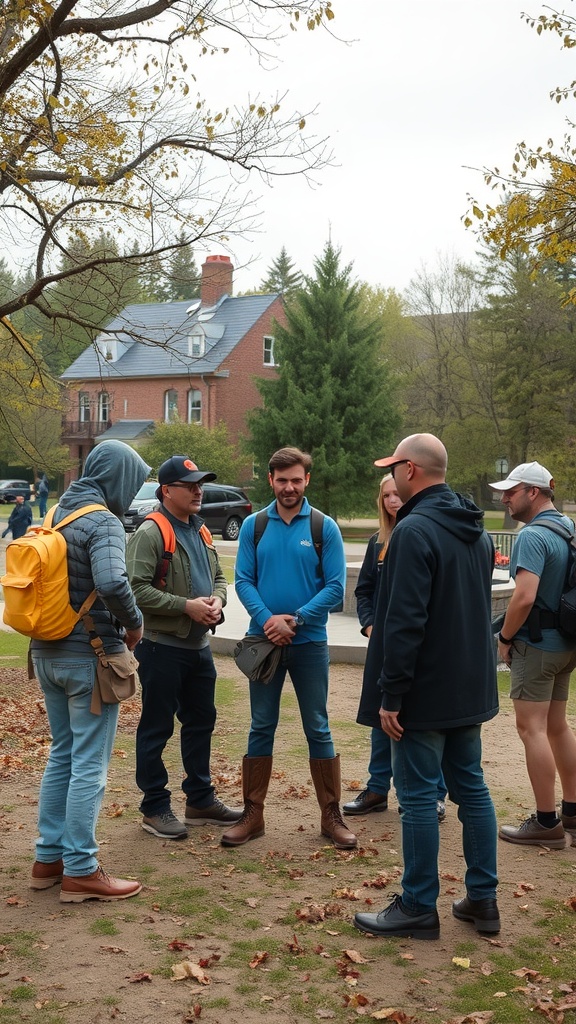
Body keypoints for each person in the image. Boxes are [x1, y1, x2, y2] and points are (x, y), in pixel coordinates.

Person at [353, 433, 499, 941]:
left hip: (425, 692)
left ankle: (417, 904)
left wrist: (392, 696)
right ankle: (483, 899)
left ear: (411, 470)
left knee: (417, 797)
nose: (390, 475)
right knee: (472, 789)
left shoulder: (415, 530)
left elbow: (405, 621)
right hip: (467, 686)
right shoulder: (475, 530)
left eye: (394, 467)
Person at [30, 439, 149, 902]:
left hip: (46, 652)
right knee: (89, 766)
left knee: (62, 755)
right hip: (90, 656)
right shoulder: (102, 521)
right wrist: (134, 623)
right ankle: (80, 869)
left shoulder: (57, 514)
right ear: (118, 478)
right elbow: (113, 581)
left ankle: (48, 860)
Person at [221, 446, 357, 850]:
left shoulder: (323, 527)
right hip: (263, 643)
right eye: (282, 480)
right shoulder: (254, 525)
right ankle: (253, 814)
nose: (289, 487)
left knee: (318, 724)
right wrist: (268, 621)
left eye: (296, 480)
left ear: (306, 480)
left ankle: (331, 816)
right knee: (261, 724)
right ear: (270, 480)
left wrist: (295, 619)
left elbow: (335, 587)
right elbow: (244, 579)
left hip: (310, 642)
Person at [127, 455, 241, 839]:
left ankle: (200, 800)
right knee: (156, 728)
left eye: (200, 483)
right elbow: (135, 589)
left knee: (201, 722)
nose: (198, 490)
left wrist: (217, 602)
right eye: (190, 485)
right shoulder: (151, 531)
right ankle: (154, 807)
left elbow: (221, 577)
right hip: (162, 649)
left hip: (197, 648)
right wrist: (186, 606)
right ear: (166, 491)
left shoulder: (201, 529)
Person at [344, 475, 448, 821]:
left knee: (425, 722)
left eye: (396, 493)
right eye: (386, 495)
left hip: (419, 650)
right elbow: (364, 592)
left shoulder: (420, 534)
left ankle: (434, 794)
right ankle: (377, 789)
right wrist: (371, 625)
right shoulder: (379, 542)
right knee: (380, 717)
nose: (392, 500)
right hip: (385, 649)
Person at [489, 462, 576, 849]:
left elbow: (523, 596)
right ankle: (572, 814)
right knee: (557, 726)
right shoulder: (569, 527)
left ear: (534, 492)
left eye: (512, 490)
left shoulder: (532, 536)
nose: (504, 497)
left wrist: (505, 637)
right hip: (566, 643)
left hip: (537, 646)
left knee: (532, 729)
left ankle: (546, 823)